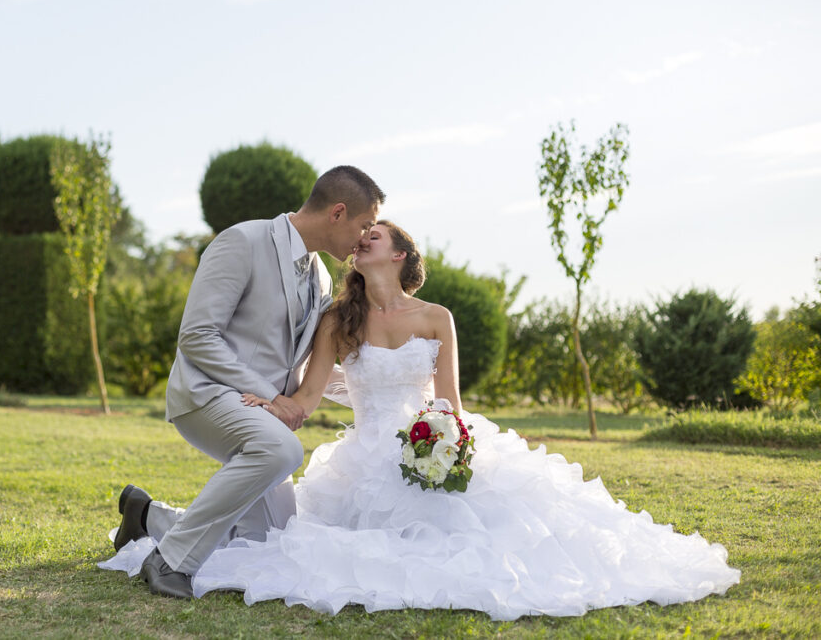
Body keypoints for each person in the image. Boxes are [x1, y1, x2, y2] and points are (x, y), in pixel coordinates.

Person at [102, 220, 740, 618]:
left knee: (458, 534)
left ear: (402, 253)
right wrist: (269, 403)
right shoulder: (337, 318)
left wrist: (444, 441)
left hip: (429, 440)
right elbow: (310, 394)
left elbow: (450, 399)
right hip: (362, 457)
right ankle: (160, 523)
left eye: (376, 235)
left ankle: (156, 520)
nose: (362, 239)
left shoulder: (437, 318)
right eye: (361, 236)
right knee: (284, 540)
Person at [106, 166, 384, 598]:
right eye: (364, 225)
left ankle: (149, 519)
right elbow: (197, 336)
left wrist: (386, 399)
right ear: (338, 212)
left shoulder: (323, 278)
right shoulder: (243, 241)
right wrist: (275, 396)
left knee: (272, 542)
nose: (365, 238)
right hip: (205, 395)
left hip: (260, 413)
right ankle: (171, 559)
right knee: (283, 449)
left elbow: (315, 368)